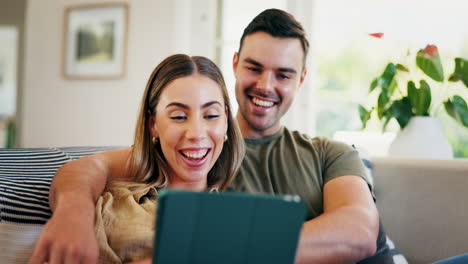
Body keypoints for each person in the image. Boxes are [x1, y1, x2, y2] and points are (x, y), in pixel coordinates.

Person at [30, 9, 392, 264]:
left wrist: (210, 250)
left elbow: (359, 231)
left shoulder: (331, 153)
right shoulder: (190, 154)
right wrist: (73, 212)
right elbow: (88, 167)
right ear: (235, 63)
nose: (266, 85)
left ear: (301, 79)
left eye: (283, 74)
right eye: (254, 67)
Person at [28, 54, 244, 264]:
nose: (197, 133)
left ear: (226, 119)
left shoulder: (242, 216)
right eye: (178, 116)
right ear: (153, 124)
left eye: (212, 115)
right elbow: (87, 168)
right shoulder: (116, 207)